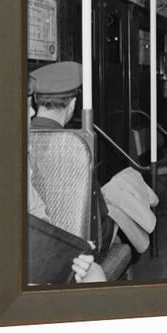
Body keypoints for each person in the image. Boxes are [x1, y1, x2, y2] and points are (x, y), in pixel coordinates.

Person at [27, 73, 106, 283]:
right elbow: (98, 221)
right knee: (127, 186)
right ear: (72, 105)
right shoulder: (75, 149)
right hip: (57, 253)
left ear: (36, 101)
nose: (31, 112)